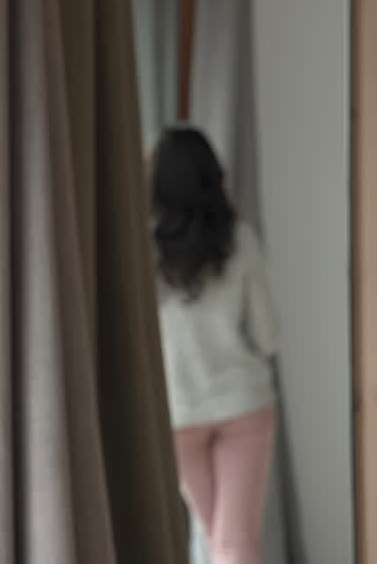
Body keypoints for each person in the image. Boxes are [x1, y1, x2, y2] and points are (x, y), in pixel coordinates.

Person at [150, 126, 278, 564]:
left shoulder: (149, 252)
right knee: (234, 543)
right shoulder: (240, 241)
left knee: (214, 539)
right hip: (243, 406)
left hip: (181, 413)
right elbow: (268, 335)